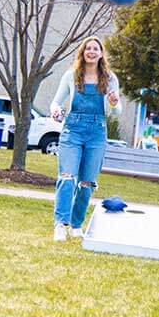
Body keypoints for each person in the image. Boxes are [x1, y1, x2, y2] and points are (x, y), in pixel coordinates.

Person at [49, 36, 123, 241]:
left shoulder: (110, 79)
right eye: (88, 48)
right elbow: (55, 102)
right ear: (82, 52)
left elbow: (116, 113)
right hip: (72, 131)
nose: (91, 51)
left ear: (101, 54)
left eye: (95, 49)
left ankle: (76, 224)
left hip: (97, 133)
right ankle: (60, 225)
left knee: (87, 182)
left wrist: (115, 103)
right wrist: (56, 111)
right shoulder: (71, 76)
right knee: (67, 177)